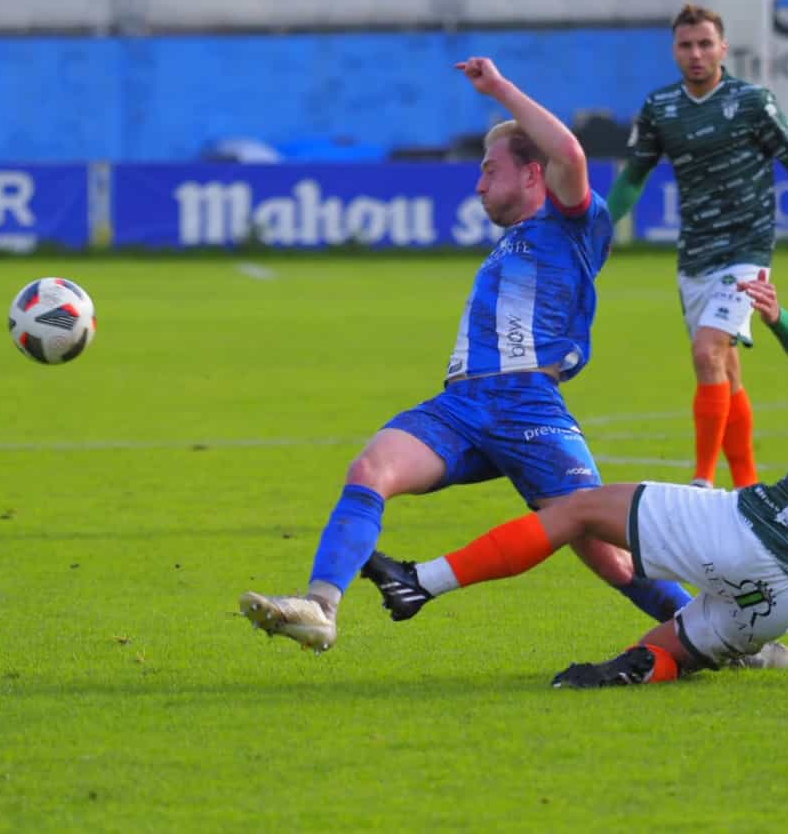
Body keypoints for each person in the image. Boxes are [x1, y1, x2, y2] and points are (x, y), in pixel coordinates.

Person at [239, 57, 691, 653]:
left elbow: (573, 158)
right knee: (369, 470)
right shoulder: (510, 247)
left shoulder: (573, 227)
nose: (478, 185)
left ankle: (723, 631)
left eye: (489, 170)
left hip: (528, 406)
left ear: (534, 174)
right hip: (461, 405)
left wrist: (500, 91)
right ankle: (320, 606)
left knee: (607, 554)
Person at [363, 276, 788, 687]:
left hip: (747, 531)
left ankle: (421, 582)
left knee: (579, 509)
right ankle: (640, 667)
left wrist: (780, 320)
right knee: (663, 653)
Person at [607, 2, 788, 491]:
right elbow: (632, 179)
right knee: (726, 369)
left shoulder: (754, 103)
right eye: (686, 45)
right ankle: (748, 485)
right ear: (674, 50)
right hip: (695, 257)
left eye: (705, 43)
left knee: (708, 352)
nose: (696, 53)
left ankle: (703, 479)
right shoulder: (660, 108)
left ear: (723, 48)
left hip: (748, 252)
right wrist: (598, 226)